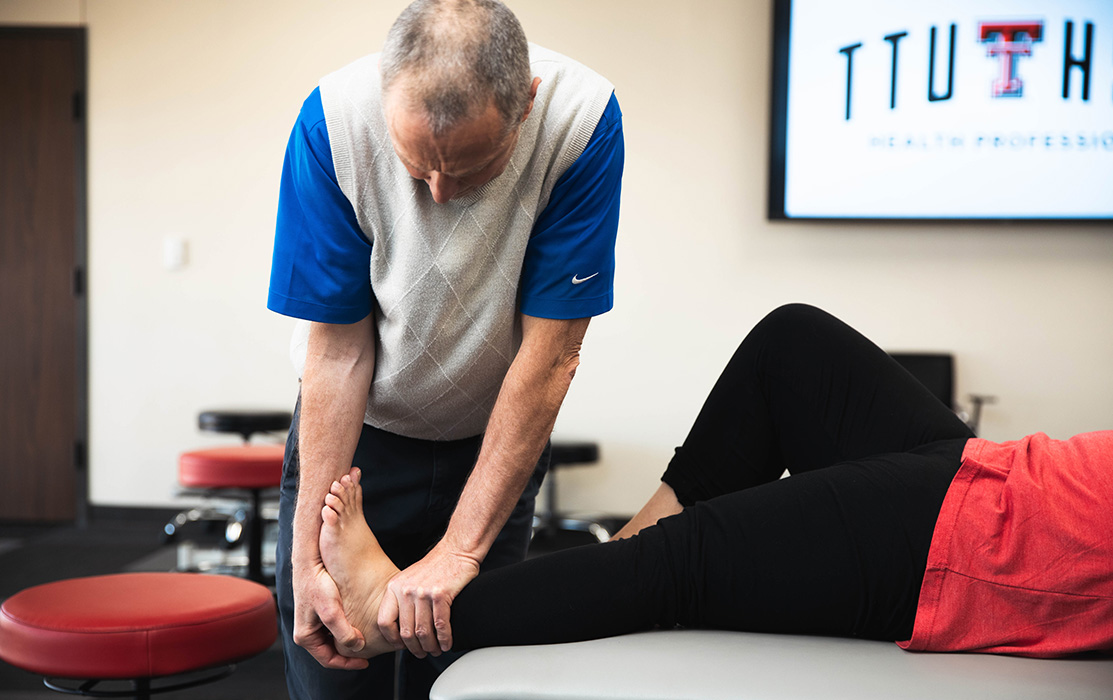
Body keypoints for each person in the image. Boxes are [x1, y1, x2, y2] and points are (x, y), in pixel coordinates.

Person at [313, 304, 1113, 663]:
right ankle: (619, 571)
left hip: (990, 548)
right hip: (1006, 475)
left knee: (691, 561)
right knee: (791, 345)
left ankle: (384, 613)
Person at [265, 0, 624, 696]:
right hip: (359, 441)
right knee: (332, 672)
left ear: (525, 103)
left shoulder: (580, 120)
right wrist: (305, 558)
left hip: (493, 441)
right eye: (414, 167)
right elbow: (337, 353)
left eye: (468, 168)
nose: (437, 193)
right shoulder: (334, 122)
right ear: (383, 93)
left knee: (466, 681)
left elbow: (549, 355)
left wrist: (459, 550)